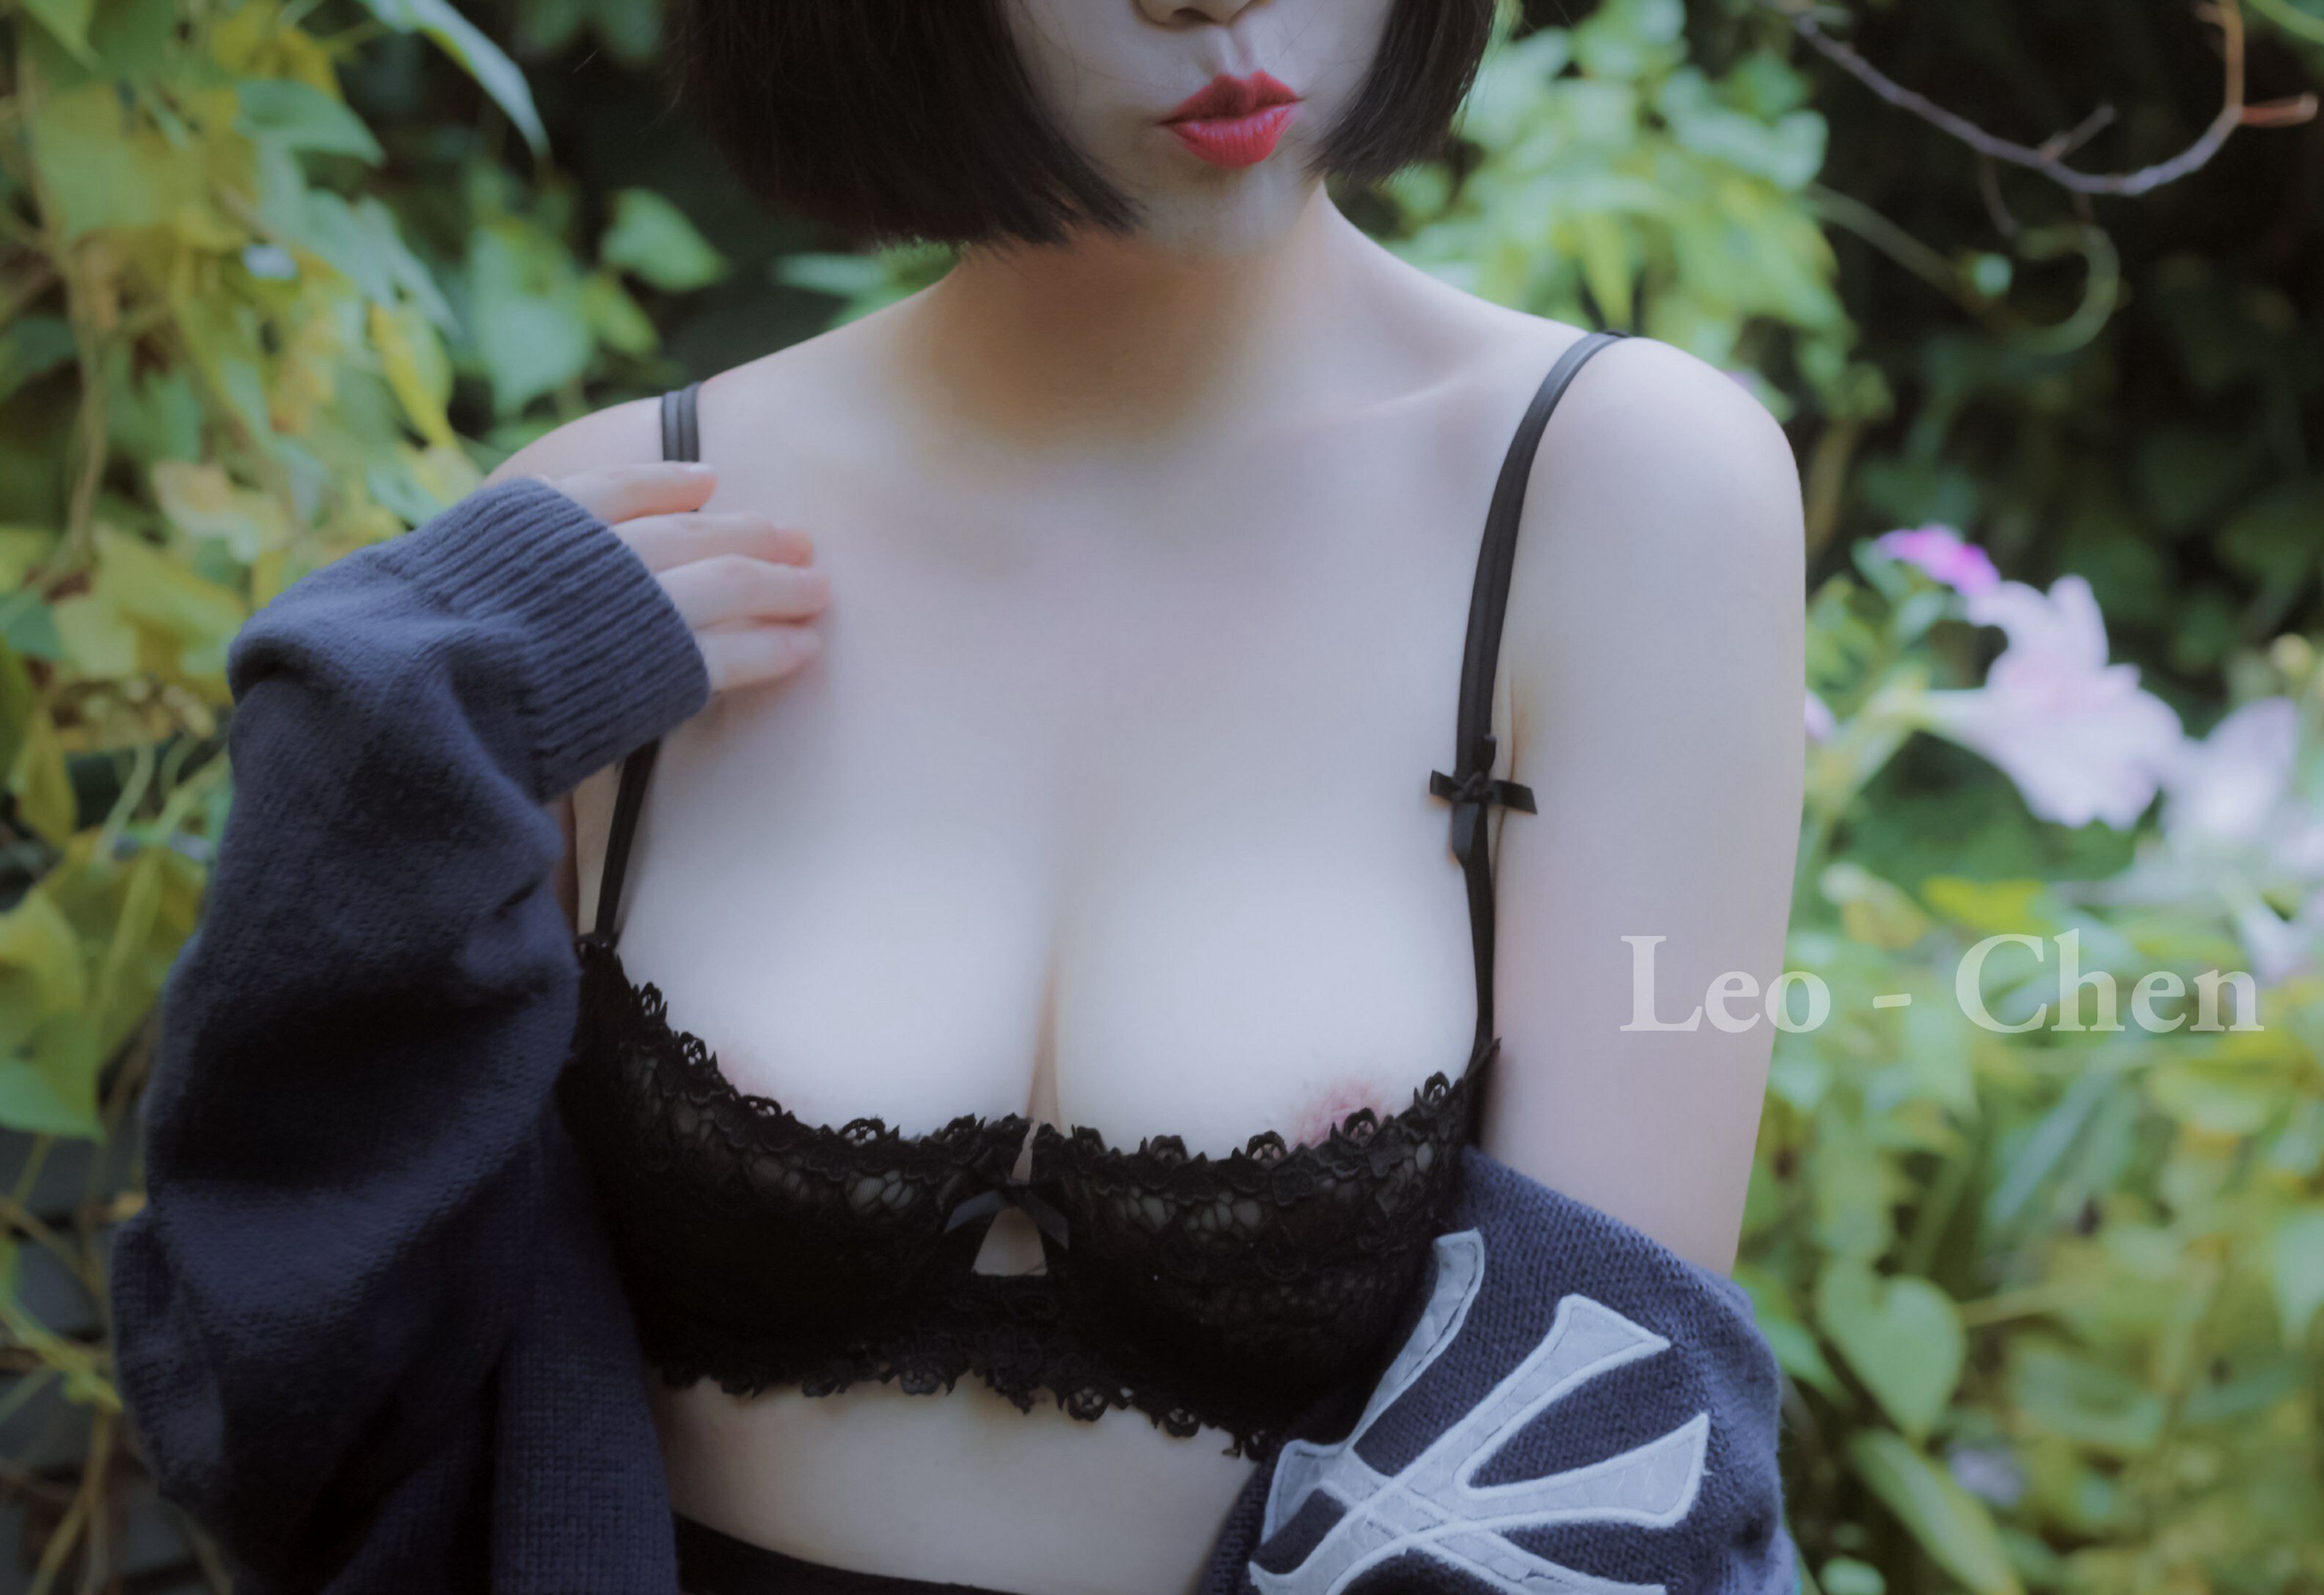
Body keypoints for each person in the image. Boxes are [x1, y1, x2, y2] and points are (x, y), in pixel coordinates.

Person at [109, 2, 1807, 1592]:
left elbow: (1594, 1432)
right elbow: (286, 1334)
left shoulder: (1621, 494)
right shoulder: (625, 531)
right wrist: (387, 733)